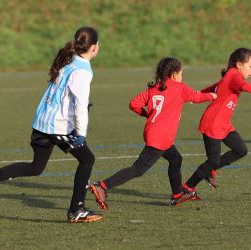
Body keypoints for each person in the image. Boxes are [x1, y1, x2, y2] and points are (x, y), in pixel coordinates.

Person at [0, 26, 102, 223]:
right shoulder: (83, 70)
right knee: (87, 160)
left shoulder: (68, 60)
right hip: (56, 126)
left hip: (42, 121)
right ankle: (76, 210)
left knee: (36, 167)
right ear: (94, 47)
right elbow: (80, 105)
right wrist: (81, 133)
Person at [89, 57, 217, 209]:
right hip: (160, 138)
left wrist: (146, 114)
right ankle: (103, 186)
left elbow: (133, 104)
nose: (182, 77)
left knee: (176, 159)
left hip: (154, 133)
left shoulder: (154, 88)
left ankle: (177, 195)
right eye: (181, 74)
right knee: (138, 169)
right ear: (175, 74)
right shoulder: (179, 87)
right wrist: (212, 96)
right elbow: (197, 97)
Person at [183, 48, 251, 195]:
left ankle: (210, 170)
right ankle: (188, 186)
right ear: (239, 64)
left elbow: (215, 88)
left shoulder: (230, 76)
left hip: (224, 124)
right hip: (213, 124)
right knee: (212, 161)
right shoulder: (234, 76)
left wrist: (197, 94)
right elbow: (245, 87)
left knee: (241, 150)